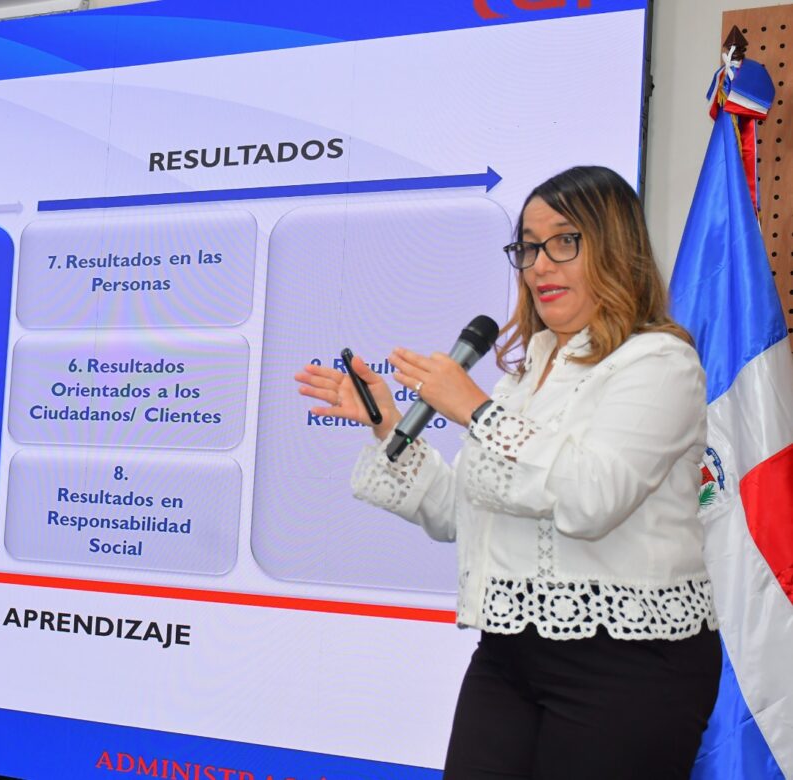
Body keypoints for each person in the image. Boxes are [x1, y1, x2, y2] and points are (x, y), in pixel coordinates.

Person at [296, 166, 720, 779]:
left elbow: (593, 498)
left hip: (629, 664)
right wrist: (388, 425)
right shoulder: (526, 374)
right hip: (509, 654)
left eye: (564, 241)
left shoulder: (659, 362)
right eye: (528, 247)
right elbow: (458, 512)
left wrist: (475, 409)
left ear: (615, 247)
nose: (540, 265)